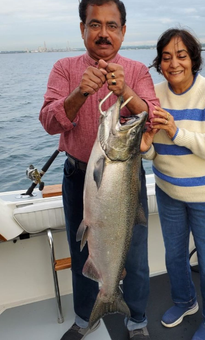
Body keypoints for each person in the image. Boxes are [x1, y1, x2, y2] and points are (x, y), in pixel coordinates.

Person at [39, 1, 159, 339]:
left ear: (123, 31)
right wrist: (80, 92)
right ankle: (84, 317)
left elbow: (153, 117)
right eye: (95, 24)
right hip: (79, 177)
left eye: (111, 25)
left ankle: (136, 320)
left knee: (133, 257)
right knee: (83, 254)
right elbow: (49, 121)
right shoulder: (64, 69)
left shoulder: (136, 71)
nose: (103, 33)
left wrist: (127, 92)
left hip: (125, 177)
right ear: (82, 29)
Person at [141, 28, 205, 340]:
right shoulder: (153, 95)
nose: (174, 63)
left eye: (181, 56)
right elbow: (155, 149)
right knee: (174, 256)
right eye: (166, 57)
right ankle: (185, 302)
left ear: (193, 59)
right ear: (159, 62)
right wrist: (144, 148)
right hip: (169, 192)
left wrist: (177, 131)